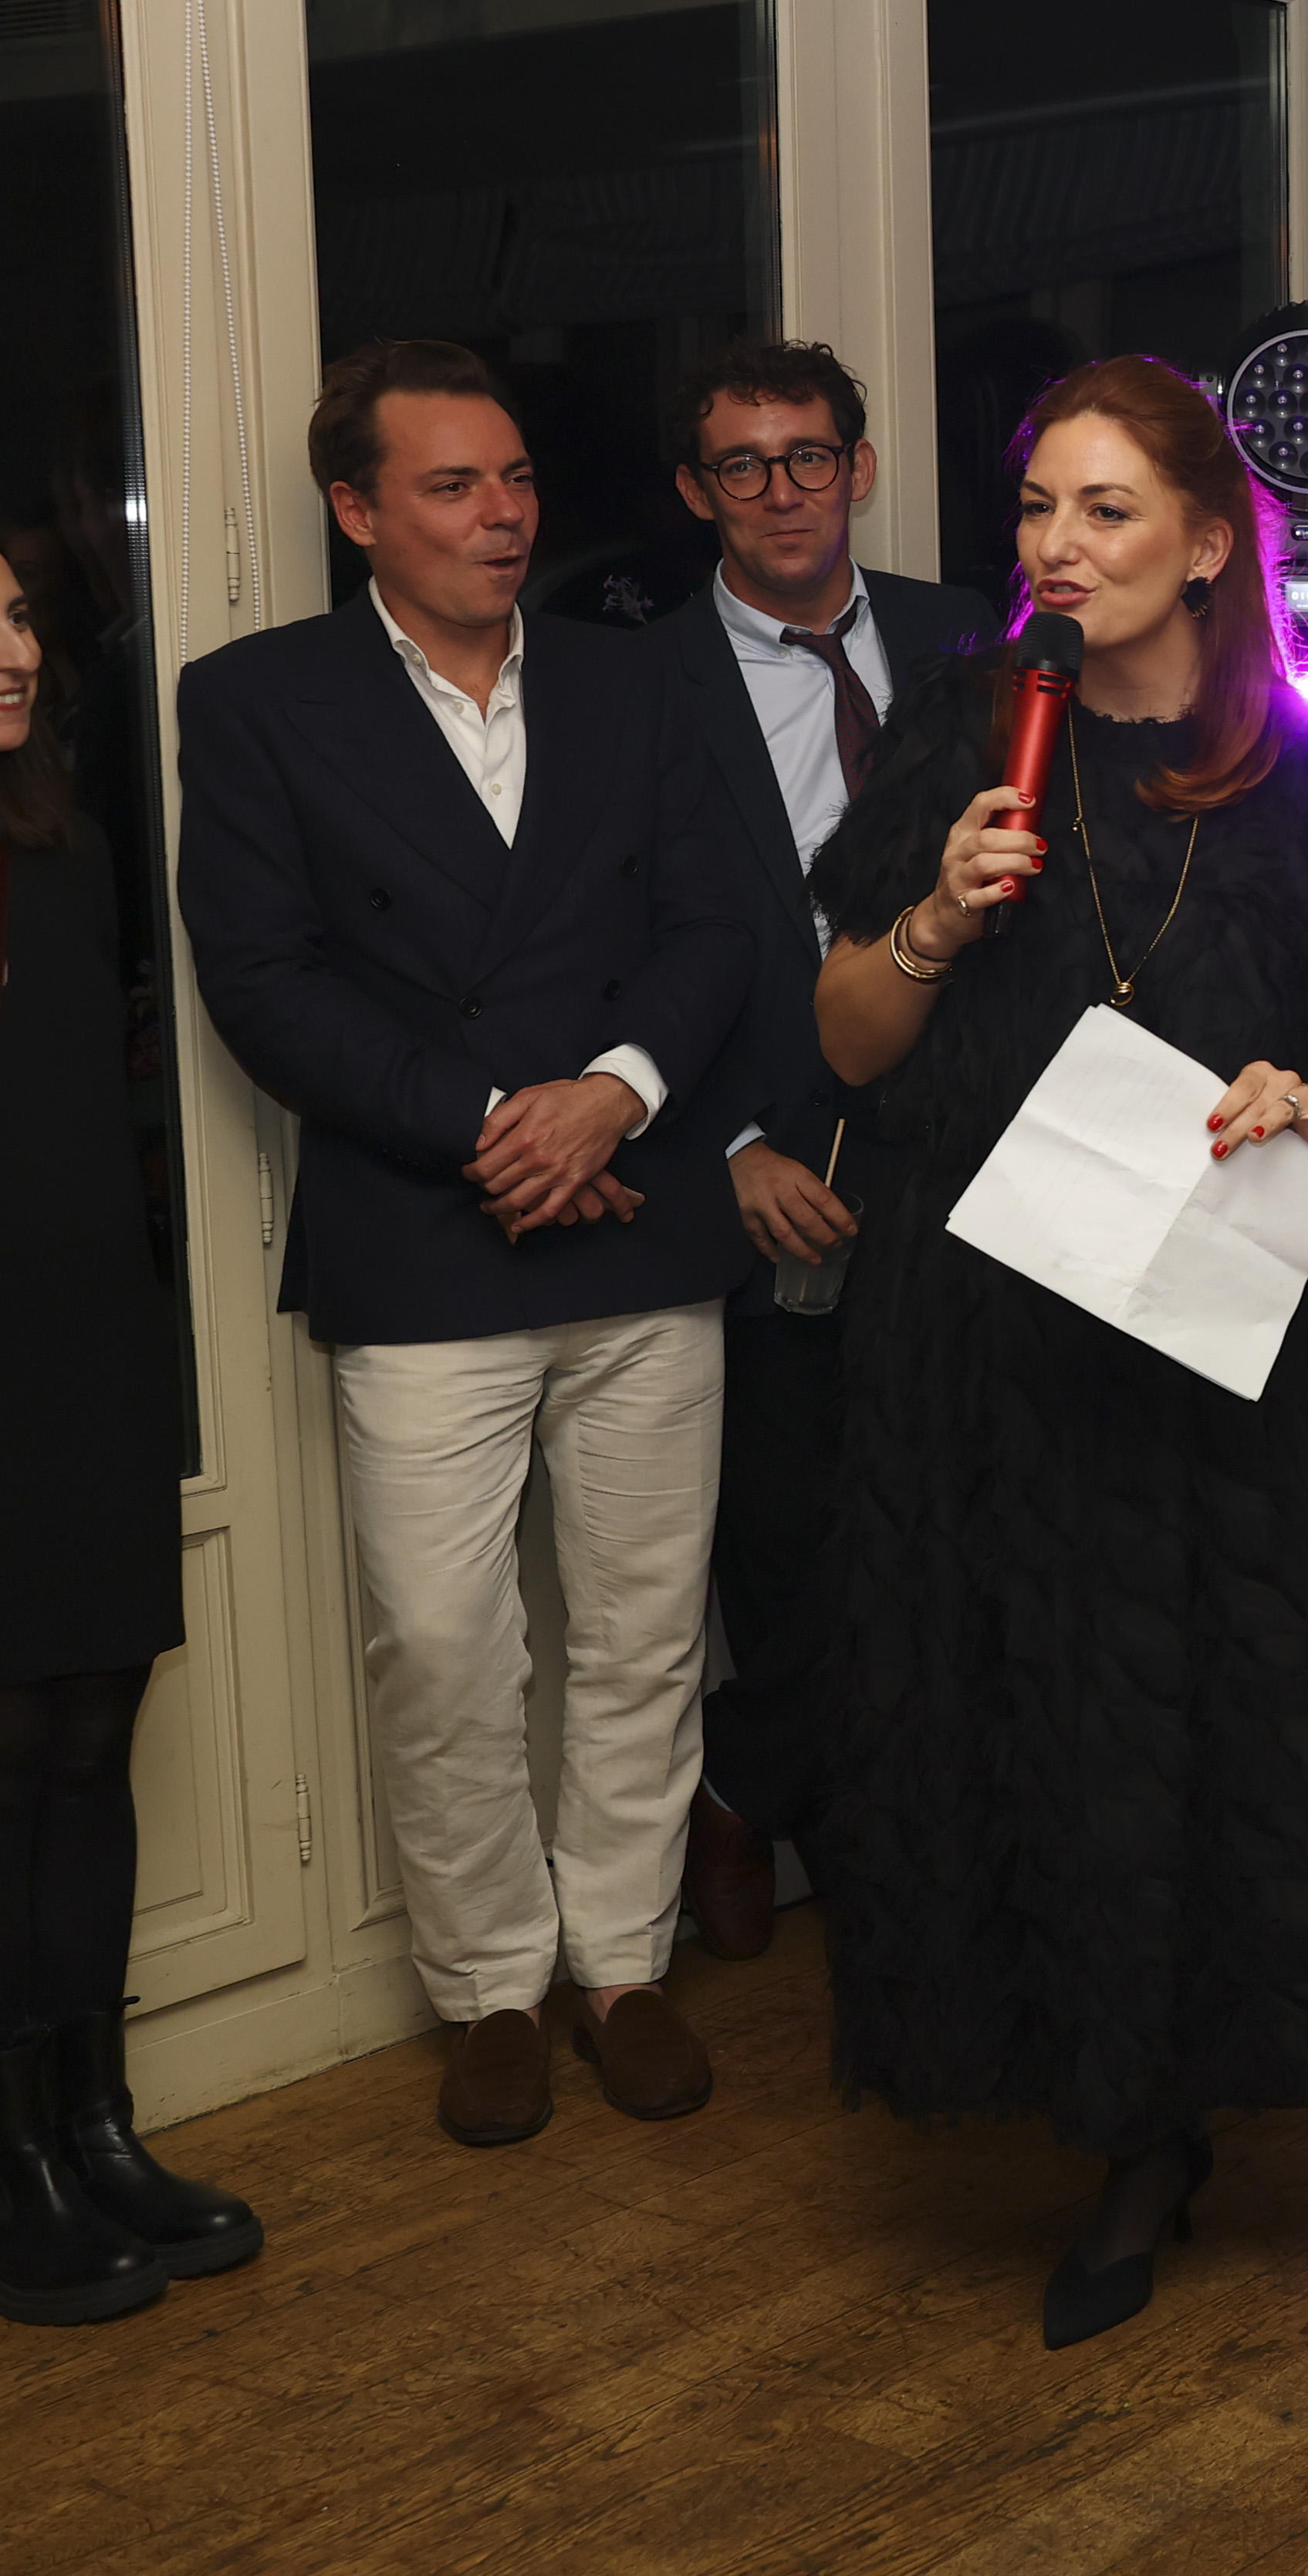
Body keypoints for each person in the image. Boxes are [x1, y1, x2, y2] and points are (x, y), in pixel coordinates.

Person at [803, 354, 1308, 2348]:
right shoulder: (970, 738)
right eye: (1038, 511)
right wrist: (930, 924)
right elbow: (848, 1045)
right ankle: (1136, 2145)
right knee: (1086, 1738)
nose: (1058, 550)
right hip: (1006, 1341)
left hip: (1239, 1328)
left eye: (1106, 511)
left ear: (1211, 542)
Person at [176, 340, 754, 2152]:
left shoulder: (633, 675)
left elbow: (715, 921)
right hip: (426, 1233)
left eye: (514, 477)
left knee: (645, 1631)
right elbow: (263, 979)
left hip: (637, 1221)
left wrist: (615, 1094)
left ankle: (623, 1964)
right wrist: (499, 1124)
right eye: (453, 484)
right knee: (440, 1645)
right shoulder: (256, 698)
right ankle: (492, 1984)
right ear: (358, 510)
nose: (502, 512)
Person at [649, 339, 992, 1958]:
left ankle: (776, 1790)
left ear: (860, 466)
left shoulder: (965, 637)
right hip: (769, 1153)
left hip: (965, 1137)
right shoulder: (634, 681)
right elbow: (615, 939)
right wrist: (719, 1144)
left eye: (808, 455)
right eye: (743, 462)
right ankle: (790, 1816)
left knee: (949, 1507)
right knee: (796, 1532)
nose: (781, 490)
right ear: (695, 490)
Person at [0, 546, 254, 2325]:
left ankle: (95, 2122)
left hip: (87, 1352)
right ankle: (11, 2155)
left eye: (17, 615)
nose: (10, 651)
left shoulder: (68, 847)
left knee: (93, 1737)